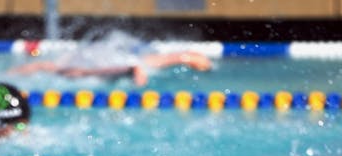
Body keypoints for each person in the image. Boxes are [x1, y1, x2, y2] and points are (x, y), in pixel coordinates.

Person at [11, 50, 213, 87]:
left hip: (121, 66)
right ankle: (190, 57)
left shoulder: (70, 69)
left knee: (73, 72)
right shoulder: (73, 69)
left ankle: (189, 57)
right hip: (121, 65)